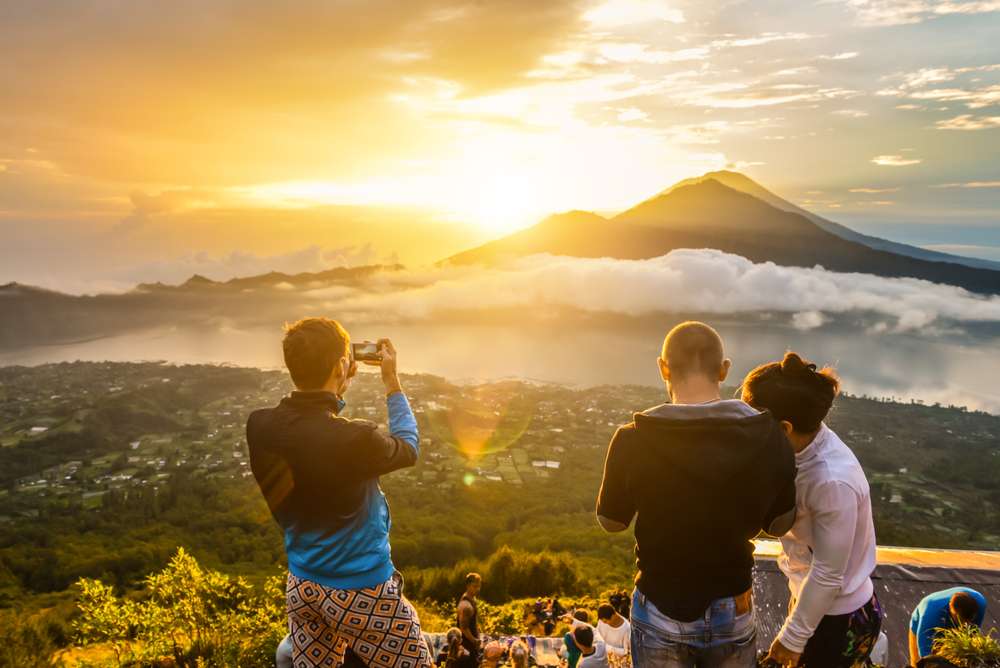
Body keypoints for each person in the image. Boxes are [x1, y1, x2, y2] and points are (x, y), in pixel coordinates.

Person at [596, 321, 798, 668]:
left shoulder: (633, 438)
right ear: (724, 370)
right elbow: (780, 525)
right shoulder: (768, 434)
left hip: (659, 604)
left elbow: (611, 521)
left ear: (663, 367)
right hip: (732, 605)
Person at [246, 318, 430, 667]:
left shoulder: (259, 425)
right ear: (342, 365)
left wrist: (336, 383)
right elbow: (408, 446)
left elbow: (306, 434)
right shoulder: (354, 438)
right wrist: (392, 381)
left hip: (302, 584)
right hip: (362, 590)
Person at [742, 352, 882, 668]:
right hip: (813, 601)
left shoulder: (832, 481)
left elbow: (829, 573)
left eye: (752, 419)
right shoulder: (801, 445)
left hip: (837, 617)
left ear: (785, 427)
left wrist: (791, 640)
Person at [909, 588, 988, 664]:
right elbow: (925, 657)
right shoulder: (930, 617)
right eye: (961, 621)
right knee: (917, 664)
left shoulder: (980, 603)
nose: (965, 625)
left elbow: (972, 639)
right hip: (924, 619)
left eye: (970, 620)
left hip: (948, 616)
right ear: (952, 611)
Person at [457, 573, 483, 667]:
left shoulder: (472, 600)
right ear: (468, 586)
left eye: (479, 586)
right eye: (475, 586)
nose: (477, 589)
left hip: (471, 646)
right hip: (466, 646)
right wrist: (474, 640)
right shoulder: (465, 605)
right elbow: (463, 627)